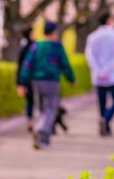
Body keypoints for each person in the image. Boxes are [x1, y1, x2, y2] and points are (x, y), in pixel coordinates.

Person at [17, 21, 75, 149]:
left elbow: (27, 65)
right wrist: (71, 79)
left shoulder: (36, 46)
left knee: (41, 108)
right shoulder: (56, 47)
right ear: (54, 33)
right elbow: (65, 65)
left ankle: (42, 134)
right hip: (51, 81)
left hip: (36, 81)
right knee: (51, 108)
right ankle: (41, 132)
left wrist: (22, 82)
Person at [86, 13, 114, 136]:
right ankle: (107, 120)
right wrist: (108, 70)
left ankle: (104, 121)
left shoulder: (93, 37)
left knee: (102, 102)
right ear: (109, 21)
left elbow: (90, 56)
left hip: (98, 76)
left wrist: (99, 70)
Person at [16, 26, 35, 133]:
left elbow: (19, 67)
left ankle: (30, 121)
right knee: (37, 101)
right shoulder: (35, 47)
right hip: (35, 79)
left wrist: (19, 82)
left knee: (29, 101)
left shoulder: (23, 49)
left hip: (25, 80)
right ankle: (40, 122)